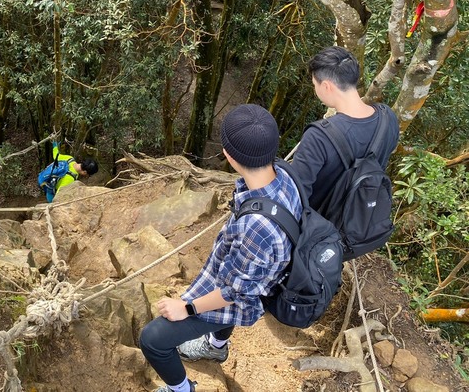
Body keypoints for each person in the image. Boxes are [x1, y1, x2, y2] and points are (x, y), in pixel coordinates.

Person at [139, 104, 302, 392]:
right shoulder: (285, 177)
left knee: (152, 340)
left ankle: (181, 389)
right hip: (254, 277)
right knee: (227, 287)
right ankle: (216, 346)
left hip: (242, 296)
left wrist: (186, 308)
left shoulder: (257, 228)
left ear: (228, 155)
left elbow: (234, 293)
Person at [291, 46, 400, 211]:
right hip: (363, 221)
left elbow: (296, 195)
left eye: (315, 84)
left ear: (326, 86)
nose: (315, 90)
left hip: (322, 231)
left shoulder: (318, 136)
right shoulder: (388, 118)